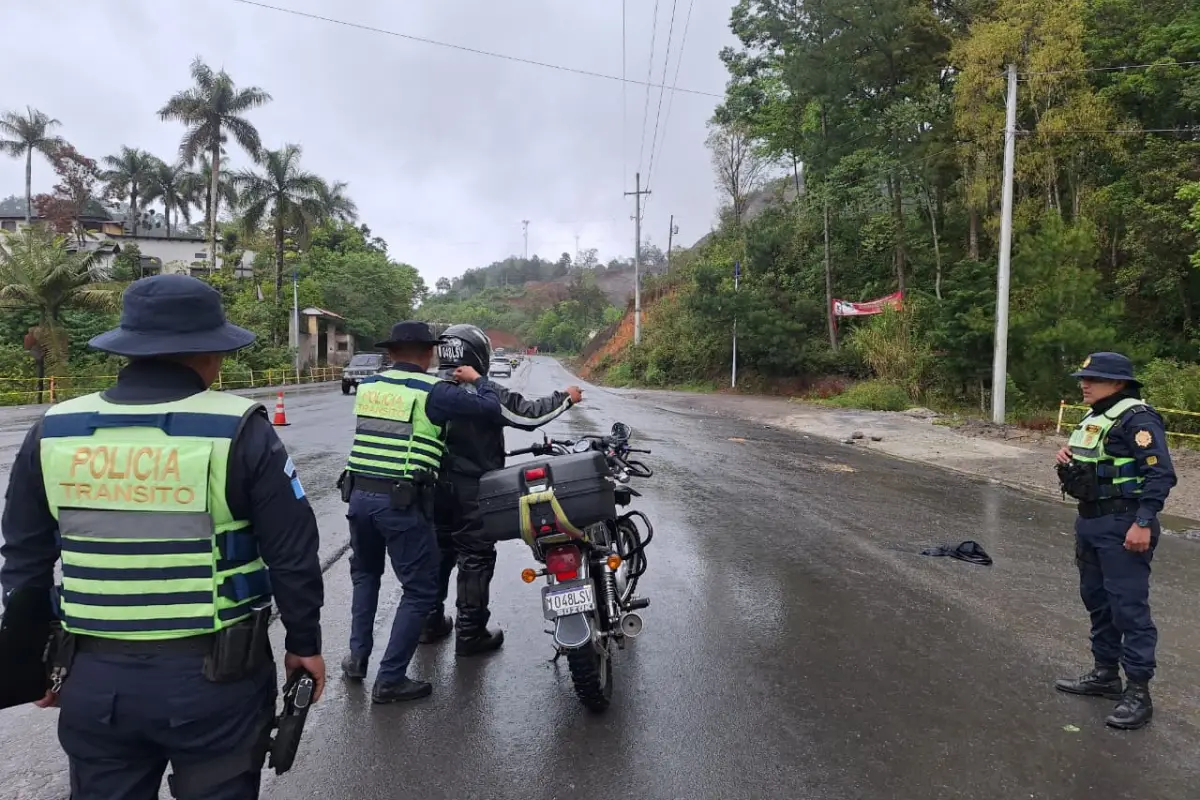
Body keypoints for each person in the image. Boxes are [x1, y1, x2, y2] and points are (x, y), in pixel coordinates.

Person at [0, 273, 325, 799]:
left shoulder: (55, 427)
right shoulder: (240, 427)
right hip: (214, 679)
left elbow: (23, 556)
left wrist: (32, 659)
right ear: (209, 353)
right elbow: (291, 553)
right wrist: (304, 644)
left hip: (90, 677)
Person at [339, 321, 506, 702]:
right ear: (429, 353)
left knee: (366, 577)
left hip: (358, 495)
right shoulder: (433, 390)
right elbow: (490, 406)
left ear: (390, 353)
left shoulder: (368, 387)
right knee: (419, 590)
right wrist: (478, 378)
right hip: (398, 500)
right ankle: (390, 679)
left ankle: (357, 661)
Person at [422, 324, 582, 655]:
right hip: (473, 487)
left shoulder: (431, 387)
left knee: (438, 553)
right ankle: (470, 633)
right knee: (476, 557)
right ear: (478, 355)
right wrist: (566, 397)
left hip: (432, 486)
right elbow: (525, 414)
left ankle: (429, 622)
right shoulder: (481, 393)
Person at [1053, 352, 1176, 730]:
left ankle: (1139, 692)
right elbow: (1094, 462)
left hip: (1123, 523)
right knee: (1098, 602)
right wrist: (1066, 460)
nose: (1084, 384)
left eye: (1094, 378)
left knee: (1129, 609)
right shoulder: (1095, 416)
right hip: (1091, 521)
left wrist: (1143, 521)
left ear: (1118, 383)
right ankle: (1105, 675)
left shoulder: (1137, 418)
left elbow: (1161, 475)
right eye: (1084, 378)